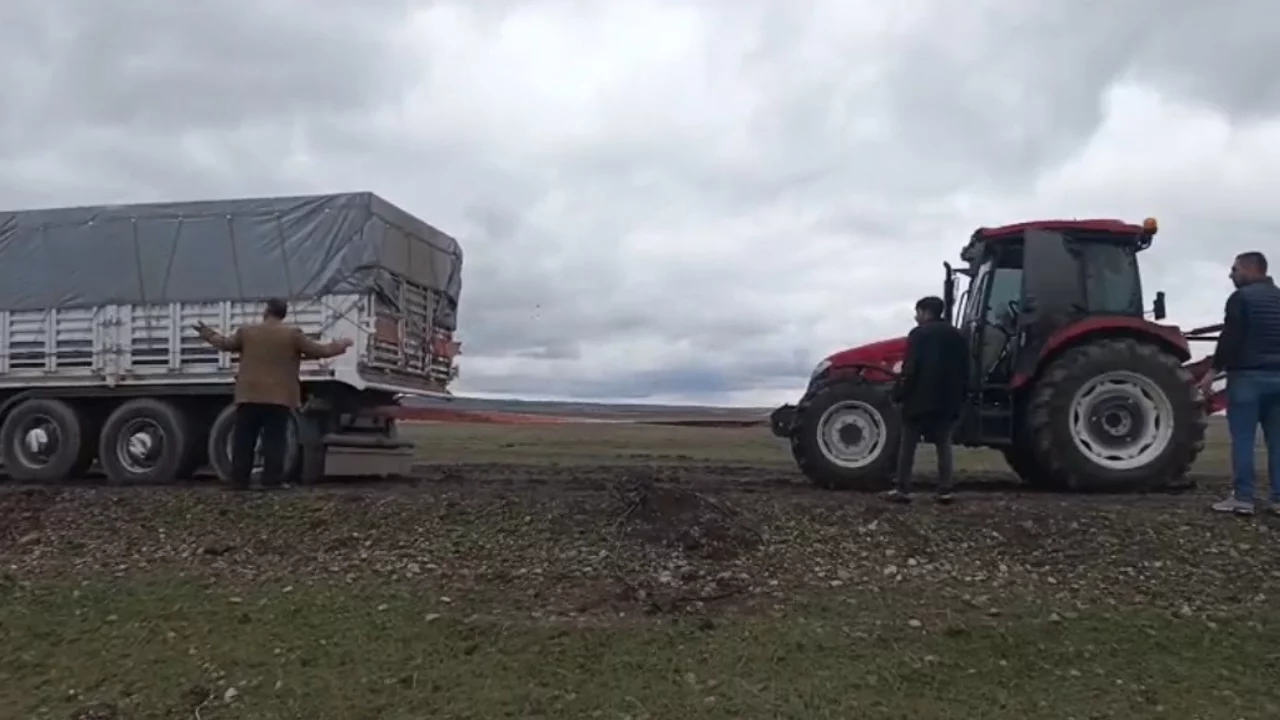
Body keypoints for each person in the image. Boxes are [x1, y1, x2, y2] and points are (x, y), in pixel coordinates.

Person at [194, 298, 354, 491]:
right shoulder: (293, 335)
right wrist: (342, 344)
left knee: (244, 440)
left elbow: (225, 344)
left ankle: (239, 481)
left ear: (266, 311)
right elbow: (319, 351)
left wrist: (206, 333)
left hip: (249, 395)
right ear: (283, 314)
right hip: (279, 397)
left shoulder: (247, 332)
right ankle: (271, 481)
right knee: (275, 441)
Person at [1205, 252, 1280, 515]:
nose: (1231, 275)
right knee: (1278, 441)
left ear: (1251, 269)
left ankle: (1243, 498)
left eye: (1235, 270)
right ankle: (1278, 499)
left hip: (1248, 378)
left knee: (1244, 440)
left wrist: (1212, 372)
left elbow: (1230, 338)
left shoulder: (1242, 298)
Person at [887, 295, 970, 505]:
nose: (916, 317)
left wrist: (899, 392)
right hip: (947, 402)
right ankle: (944, 490)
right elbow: (965, 369)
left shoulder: (918, 335)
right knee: (943, 445)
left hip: (919, 400)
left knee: (908, 445)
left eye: (918, 312)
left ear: (925, 312)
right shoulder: (958, 336)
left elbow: (910, 368)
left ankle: (902, 489)